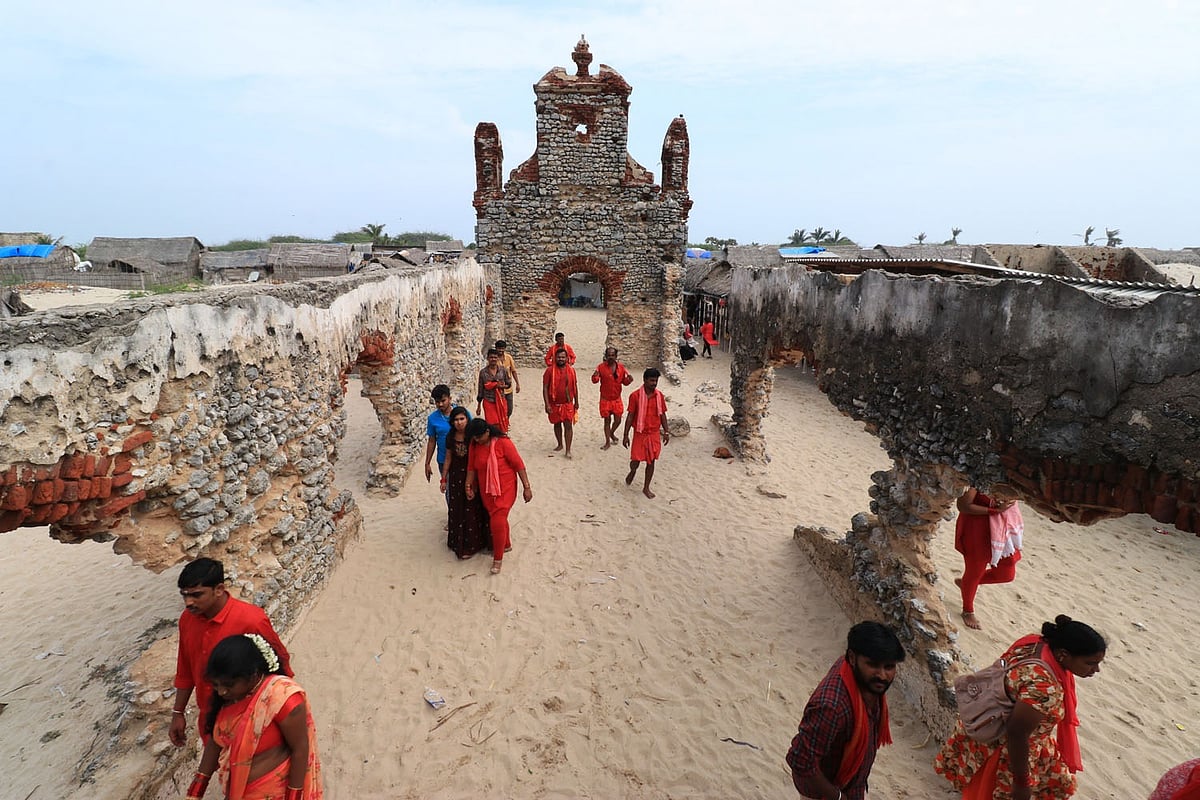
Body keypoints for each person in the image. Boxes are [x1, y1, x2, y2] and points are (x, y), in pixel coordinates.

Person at [934, 614, 1107, 800]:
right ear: (1063, 655)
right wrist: (1021, 782)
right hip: (1005, 751)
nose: (1095, 670)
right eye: (1090, 663)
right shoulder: (1043, 687)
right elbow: (1017, 732)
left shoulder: (1034, 643)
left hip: (989, 726)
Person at [171, 558, 293, 748]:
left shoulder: (251, 620)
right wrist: (178, 712)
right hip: (211, 718)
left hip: (249, 718)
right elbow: (186, 669)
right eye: (184, 595)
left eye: (196, 595)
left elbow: (279, 665)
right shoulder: (187, 620)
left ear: (219, 589)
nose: (188, 602)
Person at [187, 634, 321, 800]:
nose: (221, 691)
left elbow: (300, 749)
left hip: (272, 792)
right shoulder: (228, 700)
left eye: (228, 685)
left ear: (254, 675)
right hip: (236, 791)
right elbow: (216, 742)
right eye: (216, 685)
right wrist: (196, 791)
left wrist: (293, 797)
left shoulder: (281, 697)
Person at [785, 621, 906, 800]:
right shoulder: (832, 707)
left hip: (850, 784)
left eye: (889, 667)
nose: (882, 675)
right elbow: (801, 761)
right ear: (851, 658)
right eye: (873, 665)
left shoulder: (863, 681)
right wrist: (838, 796)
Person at [465, 417, 532, 574]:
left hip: (505, 488)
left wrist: (526, 487)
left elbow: (519, 465)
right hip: (486, 489)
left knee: (497, 519)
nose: (477, 440)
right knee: (497, 518)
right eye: (474, 437)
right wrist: (468, 486)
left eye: (479, 437)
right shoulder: (475, 445)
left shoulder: (503, 443)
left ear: (487, 432)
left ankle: (498, 559)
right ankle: (506, 544)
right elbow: (471, 468)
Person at [954, 487, 1023, 630]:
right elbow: (963, 505)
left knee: (1006, 574)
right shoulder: (978, 476)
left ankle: (966, 584)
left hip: (1004, 527)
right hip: (977, 527)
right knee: (975, 571)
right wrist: (995, 510)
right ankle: (968, 610)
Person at [439, 406, 490, 560]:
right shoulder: (450, 436)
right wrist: (443, 478)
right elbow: (448, 458)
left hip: (473, 475)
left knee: (474, 508)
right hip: (455, 477)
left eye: (462, 419)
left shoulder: (473, 436)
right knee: (458, 509)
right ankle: (459, 544)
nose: (459, 422)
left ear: (467, 419)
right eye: (456, 419)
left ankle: (476, 543)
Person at [622, 368, 670, 499]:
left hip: (654, 433)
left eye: (656, 380)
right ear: (645, 380)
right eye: (651, 380)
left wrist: (666, 431)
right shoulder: (635, 396)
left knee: (651, 461)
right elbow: (630, 416)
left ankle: (646, 487)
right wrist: (626, 435)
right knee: (636, 460)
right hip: (640, 433)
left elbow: (662, 415)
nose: (654, 383)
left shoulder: (659, 396)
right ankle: (632, 471)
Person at [591, 346, 634, 449]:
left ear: (616, 356)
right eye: (609, 355)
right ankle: (607, 442)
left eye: (612, 355)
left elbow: (624, 382)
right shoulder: (600, 367)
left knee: (618, 420)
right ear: (606, 356)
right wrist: (595, 376)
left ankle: (611, 433)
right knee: (607, 421)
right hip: (605, 399)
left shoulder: (621, 368)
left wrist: (629, 380)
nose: (610, 357)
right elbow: (594, 380)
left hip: (616, 399)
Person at [542, 347, 579, 458]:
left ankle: (568, 450)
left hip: (567, 403)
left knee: (568, 425)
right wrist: (547, 404)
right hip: (554, 403)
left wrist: (577, 401)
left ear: (567, 358)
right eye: (558, 357)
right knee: (557, 424)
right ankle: (559, 444)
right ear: (555, 358)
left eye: (563, 357)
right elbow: (545, 387)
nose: (561, 359)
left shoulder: (572, 370)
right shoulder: (549, 371)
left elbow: (575, 386)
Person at [423, 385, 455, 487]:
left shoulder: (460, 414)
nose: (440, 404)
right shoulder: (432, 419)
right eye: (437, 402)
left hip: (462, 458)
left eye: (443, 400)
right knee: (449, 490)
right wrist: (427, 463)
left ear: (450, 398)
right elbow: (432, 441)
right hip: (443, 459)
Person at [475, 348, 511, 433]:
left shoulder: (503, 370)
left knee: (501, 422)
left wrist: (501, 386)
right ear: (487, 358)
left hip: (501, 400)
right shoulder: (483, 372)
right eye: (491, 357)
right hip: (488, 401)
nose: (493, 359)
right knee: (491, 424)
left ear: (498, 358)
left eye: (495, 357)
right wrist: (479, 406)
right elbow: (481, 389)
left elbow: (509, 384)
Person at [495, 340, 520, 416]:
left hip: (508, 388)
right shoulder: (494, 359)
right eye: (499, 348)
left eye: (502, 348)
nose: (501, 350)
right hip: (498, 389)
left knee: (509, 408)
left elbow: (513, 371)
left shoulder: (509, 358)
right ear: (496, 348)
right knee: (500, 408)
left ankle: (506, 421)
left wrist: (517, 384)